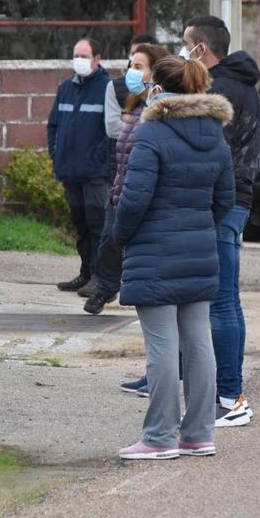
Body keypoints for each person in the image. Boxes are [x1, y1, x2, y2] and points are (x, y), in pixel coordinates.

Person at [113, 55, 235, 459]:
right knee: (199, 344)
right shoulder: (215, 134)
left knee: (162, 348)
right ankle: (199, 433)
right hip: (199, 248)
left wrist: (120, 234)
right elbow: (225, 200)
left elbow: (134, 199)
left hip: (155, 250)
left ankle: (160, 437)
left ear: (159, 90)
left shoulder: (153, 133)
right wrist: (197, 223)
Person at [182, 14, 260, 428]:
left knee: (222, 301)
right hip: (234, 199)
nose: (183, 53)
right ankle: (225, 391)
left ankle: (231, 396)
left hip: (222, 201)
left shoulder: (222, 89)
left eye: (186, 45)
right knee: (223, 300)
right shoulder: (241, 82)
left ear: (201, 49)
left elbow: (206, 147)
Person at [83, 43, 169, 315]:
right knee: (109, 240)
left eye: (139, 67)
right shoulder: (132, 106)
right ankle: (106, 286)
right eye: (131, 65)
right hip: (120, 187)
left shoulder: (161, 108)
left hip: (146, 190)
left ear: (155, 72)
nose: (132, 72)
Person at [48, 38, 113, 292]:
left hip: (95, 174)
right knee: (81, 225)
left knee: (98, 225)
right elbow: (53, 125)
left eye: (84, 55)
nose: (79, 60)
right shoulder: (65, 88)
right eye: (76, 55)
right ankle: (85, 272)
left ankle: (100, 276)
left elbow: (111, 132)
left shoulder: (107, 88)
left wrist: (97, 158)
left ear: (97, 58)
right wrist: (56, 154)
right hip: (70, 171)